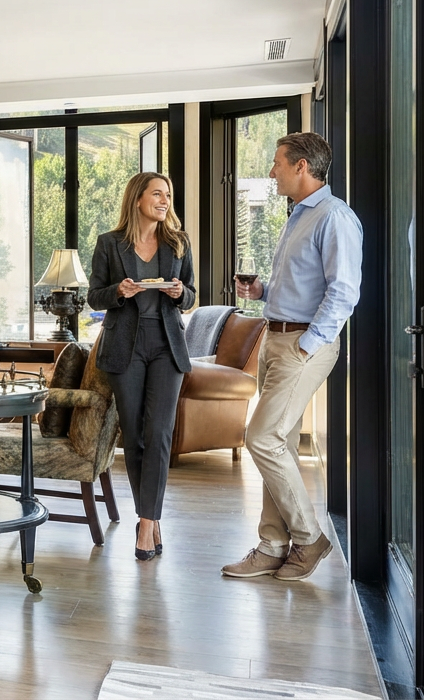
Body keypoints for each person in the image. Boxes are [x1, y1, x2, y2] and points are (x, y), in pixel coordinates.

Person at [222, 132, 362, 582]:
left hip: (304, 344)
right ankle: (272, 544)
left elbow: (343, 292)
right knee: (276, 443)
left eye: (277, 163)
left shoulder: (335, 217)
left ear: (302, 166)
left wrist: (308, 343)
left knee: (261, 438)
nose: (271, 171)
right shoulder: (298, 216)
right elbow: (305, 285)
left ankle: (308, 537)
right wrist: (261, 292)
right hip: (276, 336)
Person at [87, 172, 196, 561]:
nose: (165, 200)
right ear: (138, 199)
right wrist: (119, 290)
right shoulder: (109, 243)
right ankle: (148, 515)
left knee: (160, 433)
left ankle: (147, 523)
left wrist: (180, 292)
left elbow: (191, 295)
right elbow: (93, 297)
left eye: (168, 194)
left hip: (167, 346)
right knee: (134, 437)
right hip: (124, 349)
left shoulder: (178, 243)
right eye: (157, 194)